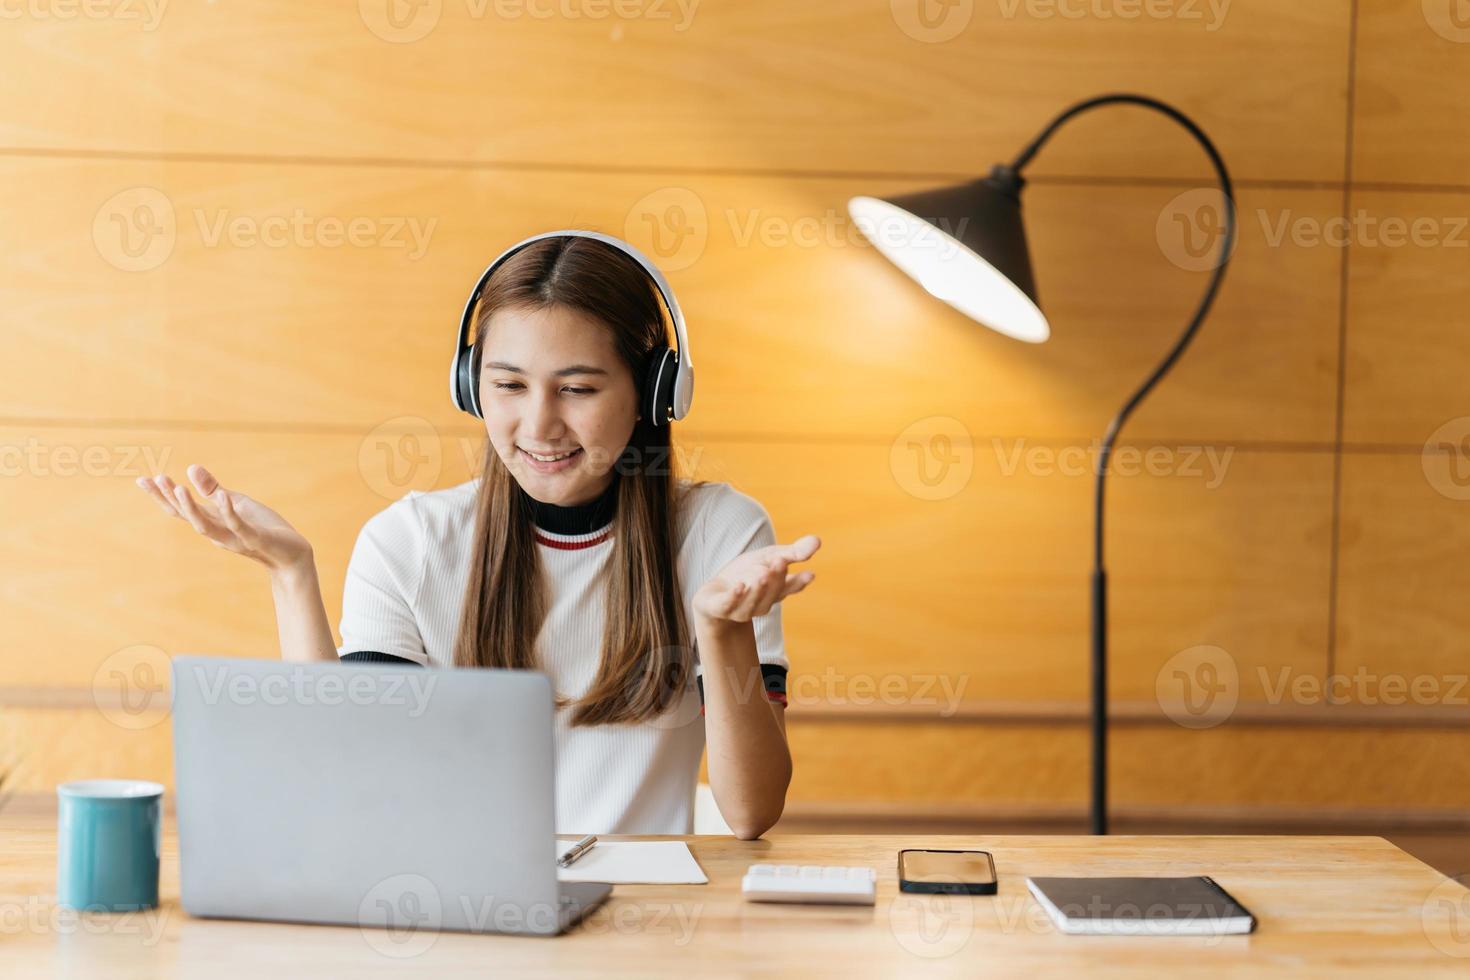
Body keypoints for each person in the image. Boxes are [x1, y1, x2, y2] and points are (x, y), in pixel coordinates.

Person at [134, 233, 820, 839]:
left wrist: (721, 631)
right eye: (509, 385)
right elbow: (346, 784)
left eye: (577, 390)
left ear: (652, 393)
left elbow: (750, 811)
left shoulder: (719, 533)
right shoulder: (409, 542)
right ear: (471, 387)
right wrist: (292, 575)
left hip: (643, 925)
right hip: (453, 914)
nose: (539, 424)